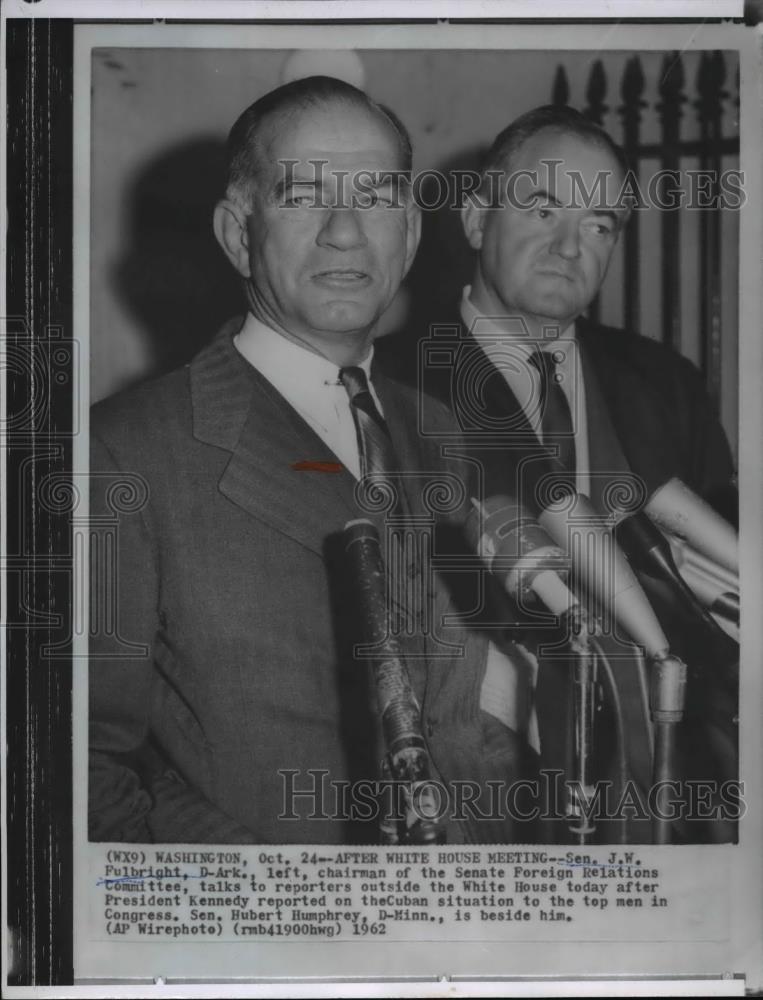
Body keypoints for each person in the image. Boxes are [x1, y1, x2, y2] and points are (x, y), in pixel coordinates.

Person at [88, 76, 537, 845]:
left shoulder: (438, 431)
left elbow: (457, 708)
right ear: (237, 234)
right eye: (302, 195)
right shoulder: (125, 450)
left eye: (374, 195)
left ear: (411, 233)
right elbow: (81, 770)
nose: (344, 230)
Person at [388, 104, 738, 842]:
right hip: (477, 797)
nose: (568, 246)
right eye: (542, 209)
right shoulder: (388, 380)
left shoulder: (664, 382)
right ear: (478, 219)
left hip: (662, 788)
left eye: (599, 224)